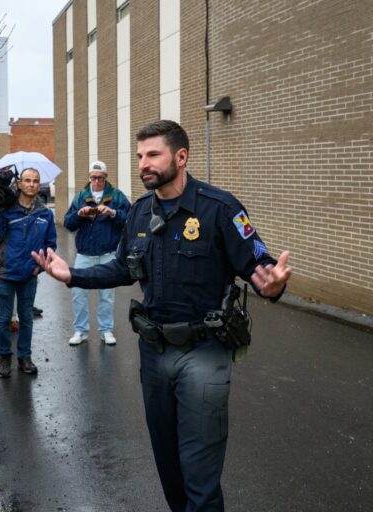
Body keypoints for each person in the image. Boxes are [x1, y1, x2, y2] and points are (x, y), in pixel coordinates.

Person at [33, 120, 292, 511]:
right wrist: (72, 275)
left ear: (181, 157)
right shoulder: (138, 213)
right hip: (154, 354)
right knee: (168, 465)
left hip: (204, 353)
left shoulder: (220, 208)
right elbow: (121, 268)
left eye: (152, 155)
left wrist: (271, 284)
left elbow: (259, 263)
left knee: (199, 470)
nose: (143, 164)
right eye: (140, 156)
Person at [0, 167, 56, 378]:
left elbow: (51, 244)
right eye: (27, 180)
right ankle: (4, 357)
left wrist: (40, 266)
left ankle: (24, 357)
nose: (31, 184)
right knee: (4, 318)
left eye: (35, 180)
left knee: (26, 318)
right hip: (4, 273)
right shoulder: (6, 210)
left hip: (29, 275)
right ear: (19, 184)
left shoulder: (45, 213)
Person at [63, 160, 130, 346]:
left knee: (106, 296)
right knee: (78, 294)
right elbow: (68, 224)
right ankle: (80, 331)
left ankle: (106, 330)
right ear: (89, 177)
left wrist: (113, 213)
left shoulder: (116, 196)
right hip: (84, 254)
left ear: (106, 177)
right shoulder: (80, 197)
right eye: (93, 177)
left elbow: (131, 220)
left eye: (100, 177)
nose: (96, 181)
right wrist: (79, 214)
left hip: (108, 254)